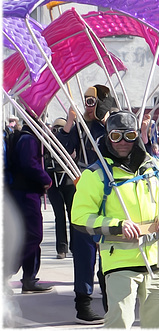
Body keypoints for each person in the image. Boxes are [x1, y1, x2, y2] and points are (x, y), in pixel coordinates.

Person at [71, 110, 159, 329]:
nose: (122, 142)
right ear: (107, 137)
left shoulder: (153, 169)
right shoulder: (95, 175)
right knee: (119, 323)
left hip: (157, 259)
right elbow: (80, 218)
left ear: (137, 137)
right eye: (116, 136)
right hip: (120, 262)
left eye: (129, 136)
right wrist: (116, 226)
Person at [57, 84, 114, 323]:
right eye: (86, 101)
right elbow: (63, 147)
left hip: (111, 193)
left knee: (111, 249)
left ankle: (112, 300)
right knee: (84, 249)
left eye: (93, 102)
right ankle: (83, 302)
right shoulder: (80, 128)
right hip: (85, 190)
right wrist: (70, 122)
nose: (88, 106)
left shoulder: (113, 125)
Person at [7, 123, 53, 294]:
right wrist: (45, 178)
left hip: (27, 192)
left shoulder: (27, 137)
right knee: (33, 236)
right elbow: (29, 164)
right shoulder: (28, 139)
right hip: (25, 193)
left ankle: (29, 278)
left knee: (30, 237)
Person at [45, 118, 75, 259]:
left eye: (60, 129)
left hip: (68, 181)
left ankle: (75, 245)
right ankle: (61, 248)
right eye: (55, 129)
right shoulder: (47, 143)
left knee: (73, 215)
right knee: (59, 216)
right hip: (54, 182)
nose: (57, 133)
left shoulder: (70, 140)